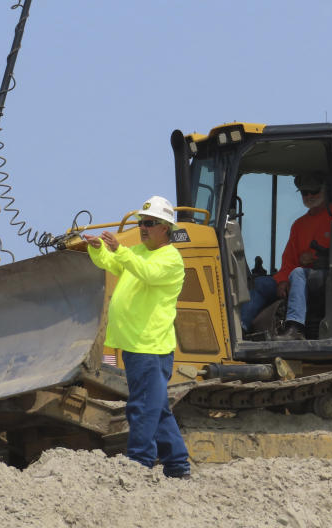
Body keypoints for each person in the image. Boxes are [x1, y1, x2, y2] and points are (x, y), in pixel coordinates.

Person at [83, 195, 191, 478]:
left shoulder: (170, 259)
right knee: (157, 407)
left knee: (142, 405)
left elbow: (147, 273)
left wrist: (122, 250)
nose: (142, 228)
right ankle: (177, 465)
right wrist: (98, 251)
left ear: (165, 228)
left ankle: (139, 462)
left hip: (150, 345)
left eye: (149, 223)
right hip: (134, 343)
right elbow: (116, 265)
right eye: (141, 223)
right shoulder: (139, 252)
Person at [240, 172, 332, 341]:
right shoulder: (299, 225)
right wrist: (282, 280)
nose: (309, 196)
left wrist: (317, 260)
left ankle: (295, 328)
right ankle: (242, 328)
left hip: (327, 275)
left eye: (314, 191)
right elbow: (289, 259)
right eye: (305, 192)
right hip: (299, 275)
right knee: (261, 284)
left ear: (325, 190)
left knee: (298, 273)